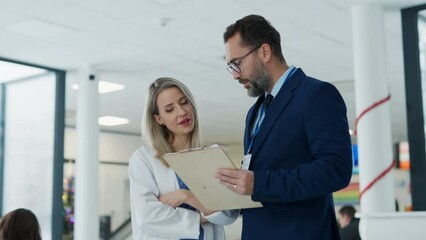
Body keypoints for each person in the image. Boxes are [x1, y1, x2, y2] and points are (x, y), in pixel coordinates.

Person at [215, 14, 353, 240]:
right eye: (230, 67)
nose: (235, 75)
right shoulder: (255, 112)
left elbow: (335, 170)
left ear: (265, 52)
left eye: (237, 63)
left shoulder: (316, 95)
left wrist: (258, 183)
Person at [129, 77, 238, 240]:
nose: (182, 112)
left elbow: (229, 213)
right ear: (159, 119)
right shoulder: (143, 159)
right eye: (169, 109)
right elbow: (147, 217)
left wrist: (186, 196)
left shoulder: (211, 154)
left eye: (184, 102)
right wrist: (206, 214)